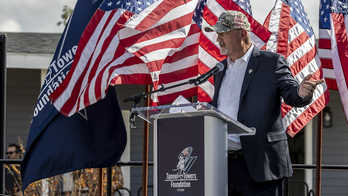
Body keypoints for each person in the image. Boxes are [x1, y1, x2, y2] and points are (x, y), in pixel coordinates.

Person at [204, 11, 324, 196]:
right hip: (224, 167)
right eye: (217, 33)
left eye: (223, 32)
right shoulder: (220, 69)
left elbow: (292, 93)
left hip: (261, 164)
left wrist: (301, 93)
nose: (218, 38)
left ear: (242, 33)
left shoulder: (271, 62)